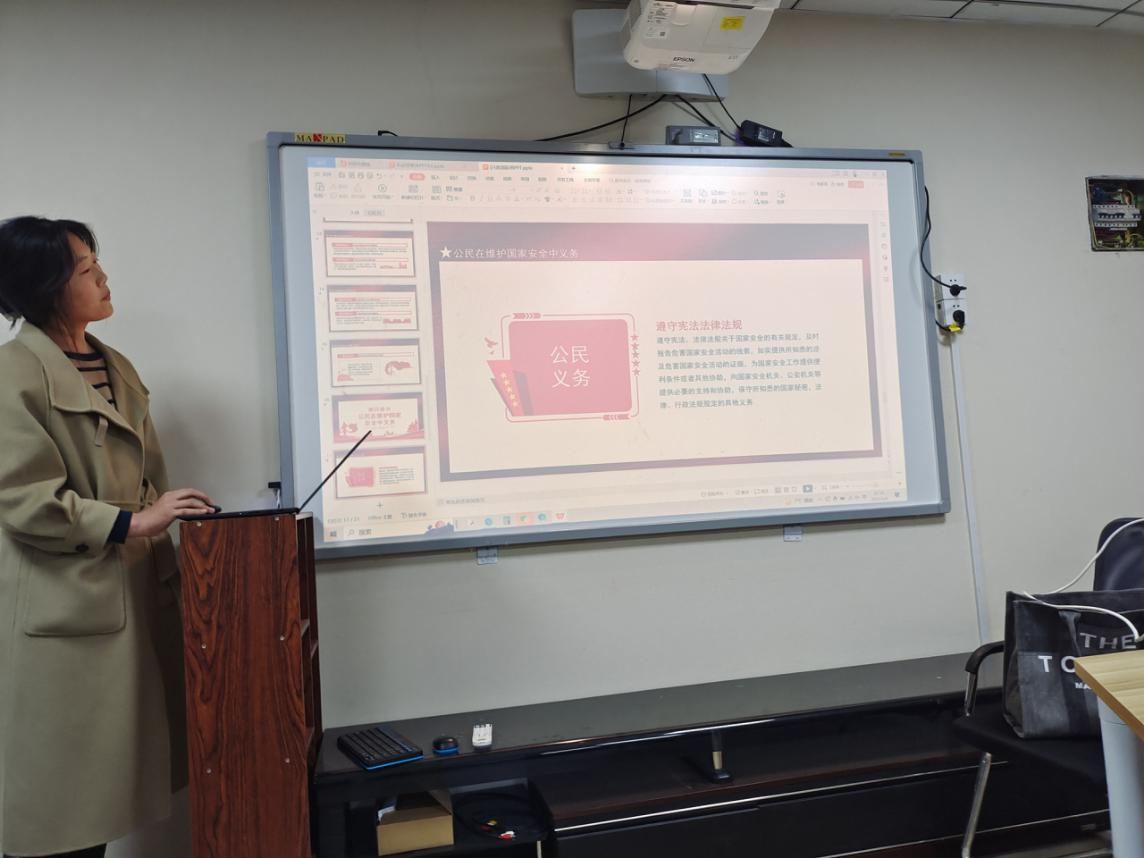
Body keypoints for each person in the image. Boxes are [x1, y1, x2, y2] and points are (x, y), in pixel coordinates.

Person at [0, 216, 214, 858]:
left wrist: (167, 534)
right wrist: (133, 523)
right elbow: (24, 500)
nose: (104, 278)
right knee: (58, 810)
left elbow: (149, 476)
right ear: (47, 287)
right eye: (87, 269)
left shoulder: (114, 364)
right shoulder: (13, 373)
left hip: (136, 599)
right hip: (66, 611)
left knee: (107, 798)